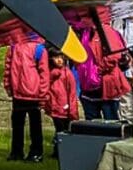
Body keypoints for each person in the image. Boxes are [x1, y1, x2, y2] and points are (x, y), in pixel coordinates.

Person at [4, 29, 49, 162]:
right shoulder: (14, 47)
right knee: (18, 124)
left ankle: (35, 152)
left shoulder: (39, 49)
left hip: (32, 93)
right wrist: (8, 85)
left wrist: (42, 93)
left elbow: (44, 74)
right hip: (18, 92)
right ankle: (17, 151)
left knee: (34, 125)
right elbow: (8, 67)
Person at [43, 53, 79, 157]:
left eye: (60, 58)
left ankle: (63, 151)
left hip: (65, 108)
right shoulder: (50, 73)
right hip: (55, 107)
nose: (59, 60)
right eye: (56, 57)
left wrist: (72, 111)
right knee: (59, 129)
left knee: (63, 130)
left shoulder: (67, 73)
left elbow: (72, 93)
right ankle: (58, 151)